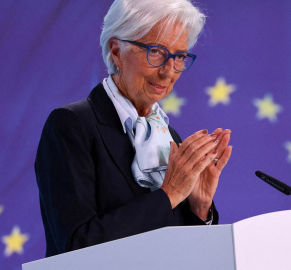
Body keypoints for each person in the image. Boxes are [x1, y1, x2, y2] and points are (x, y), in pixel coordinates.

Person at [35, 0, 232, 257]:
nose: (168, 71)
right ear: (117, 51)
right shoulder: (71, 125)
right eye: (156, 52)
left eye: (179, 56)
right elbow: (77, 247)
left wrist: (199, 208)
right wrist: (169, 194)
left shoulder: (169, 137)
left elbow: (186, 253)